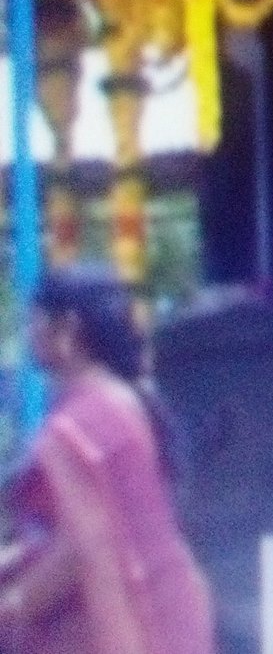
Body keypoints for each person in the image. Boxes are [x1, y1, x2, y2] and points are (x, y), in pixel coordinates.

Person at [0, 264, 215, 653]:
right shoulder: (126, 399)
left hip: (127, 621)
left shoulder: (77, 426)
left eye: (35, 321)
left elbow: (84, 545)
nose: (29, 333)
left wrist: (16, 607)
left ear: (67, 328)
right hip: (173, 608)